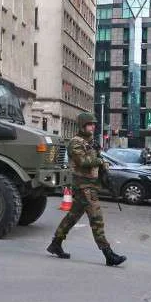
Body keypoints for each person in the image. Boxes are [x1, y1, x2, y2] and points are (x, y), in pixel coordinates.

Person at [47, 113, 127, 266]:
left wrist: (104, 168)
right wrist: (100, 161)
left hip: (90, 185)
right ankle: (108, 254)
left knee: (72, 217)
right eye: (90, 124)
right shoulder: (75, 143)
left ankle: (56, 243)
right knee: (97, 219)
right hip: (83, 186)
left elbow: (96, 160)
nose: (93, 127)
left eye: (93, 124)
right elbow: (82, 161)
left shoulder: (90, 142)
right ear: (83, 126)